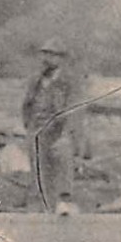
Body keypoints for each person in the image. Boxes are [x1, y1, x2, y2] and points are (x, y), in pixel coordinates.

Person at [21, 39, 84, 214]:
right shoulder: (36, 80)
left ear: (61, 59)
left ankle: (64, 202)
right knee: (38, 172)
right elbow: (27, 105)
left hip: (59, 131)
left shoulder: (69, 82)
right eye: (45, 54)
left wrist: (65, 134)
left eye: (51, 55)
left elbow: (74, 109)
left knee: (62, 163)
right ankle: (39, 209)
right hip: (37, 131)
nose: (46, 59)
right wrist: (29, 125)